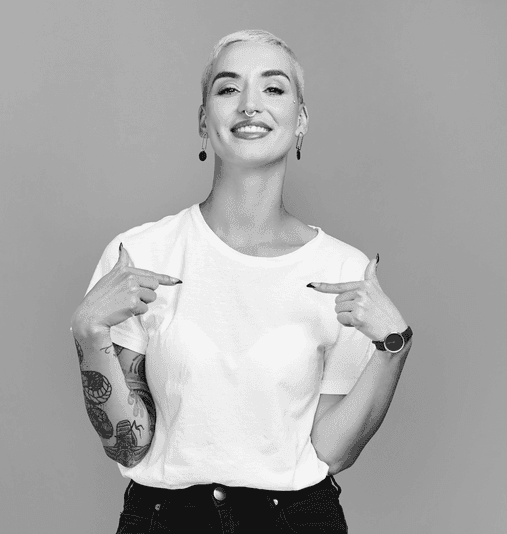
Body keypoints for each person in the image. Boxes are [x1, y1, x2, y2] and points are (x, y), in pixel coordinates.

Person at [70, 29, 413, 534]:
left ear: (300, 122)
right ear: (204, 123)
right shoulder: (141, 256)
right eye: (229, 89)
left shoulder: (342, 272)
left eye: (273, 89)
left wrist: (393, 348)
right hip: (165, 521)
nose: (250, 104)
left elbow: (332, 451)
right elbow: (129, 444)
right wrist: (89, 334)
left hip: (296, 520)